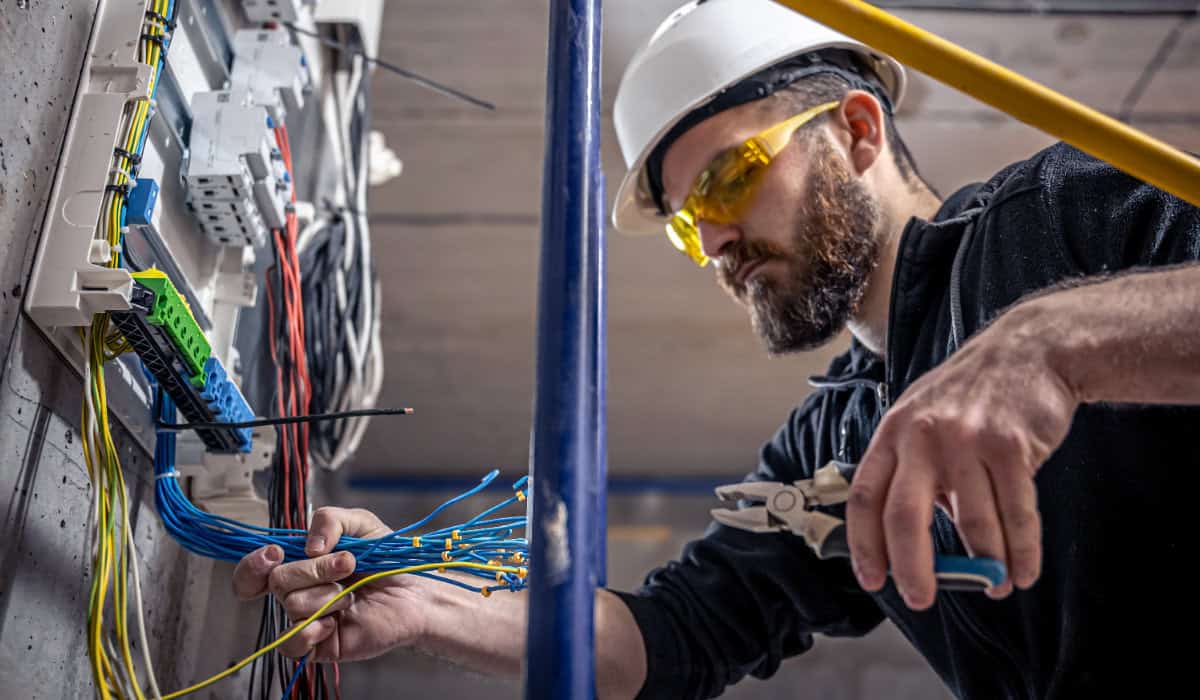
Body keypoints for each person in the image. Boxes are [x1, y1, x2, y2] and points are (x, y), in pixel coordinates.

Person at [233, 1, 1200, 697]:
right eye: (693, 224)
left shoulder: (1057, 223)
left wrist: (1048, 343)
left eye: (732, 179)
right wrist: (429, 605)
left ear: (857, 131)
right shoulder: (832, 445)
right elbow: (667, 642)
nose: (717, 244)